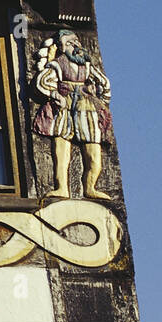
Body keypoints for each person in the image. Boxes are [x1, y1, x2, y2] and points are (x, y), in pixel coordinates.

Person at [33, 30, 112, 200]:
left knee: (93, 149)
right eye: (69, 43)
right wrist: (55, 95)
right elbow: (42, 82)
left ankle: (90, 187)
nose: (75, 45)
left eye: (76, 41)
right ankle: (62, 188)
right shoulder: (58, 64)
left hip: (87, 110)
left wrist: (99, 98)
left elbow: (104, 84)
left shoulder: (87, 66)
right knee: (61, 150)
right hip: (65, 108)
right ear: (61, 48)